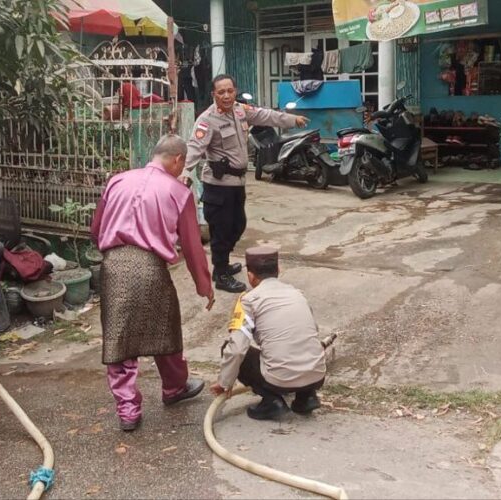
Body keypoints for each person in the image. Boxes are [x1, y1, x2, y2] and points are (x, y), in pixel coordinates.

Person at [91, 134, 215, 431]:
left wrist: (111, 250)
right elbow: (191, 245)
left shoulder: (117, 181)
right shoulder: (179, 192)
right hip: (150, 267)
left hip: (113, 265)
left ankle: (128, 410)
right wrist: (204, 285)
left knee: (119, 340)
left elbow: (96, 229)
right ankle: (174, 388)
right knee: (166, 329)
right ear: (178, 160)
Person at [182, 74, 310, 294]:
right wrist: (185, 172)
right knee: (221, 230)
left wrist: (291, 120)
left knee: (238, 225)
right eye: (221, 92)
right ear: (214, 94)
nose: (226, 95)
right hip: (217, 185)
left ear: (235, 91)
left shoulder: (241, 110)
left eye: (229, 91)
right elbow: (195, 146)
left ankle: (222, 263)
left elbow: (266, 116)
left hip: (237, 183)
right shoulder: (207, 119)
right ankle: (221, 274)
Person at [210, 247, 327, 420]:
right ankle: (306, 396)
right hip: (318, 376)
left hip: (278, 380)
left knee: (229, 347)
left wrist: (224, 382)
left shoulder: (248, 300)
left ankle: (272, 402)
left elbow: (236, 349)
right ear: (278, 270)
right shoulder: (297, 294)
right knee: (300, 342)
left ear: (250, 276)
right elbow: (312, 332)